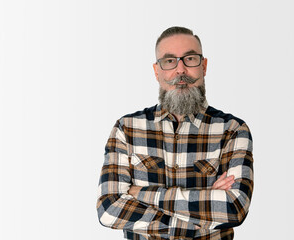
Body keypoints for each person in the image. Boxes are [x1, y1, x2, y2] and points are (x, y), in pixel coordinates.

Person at [96, 26, 253, 240]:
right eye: (169, 61)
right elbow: (109, 208)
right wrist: (203, 209)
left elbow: (234, 208)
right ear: (156, 70)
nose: (180, 70)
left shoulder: (233, 130)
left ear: (204, 66)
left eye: (189, 59)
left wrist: (138, 193)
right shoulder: (127, 128)